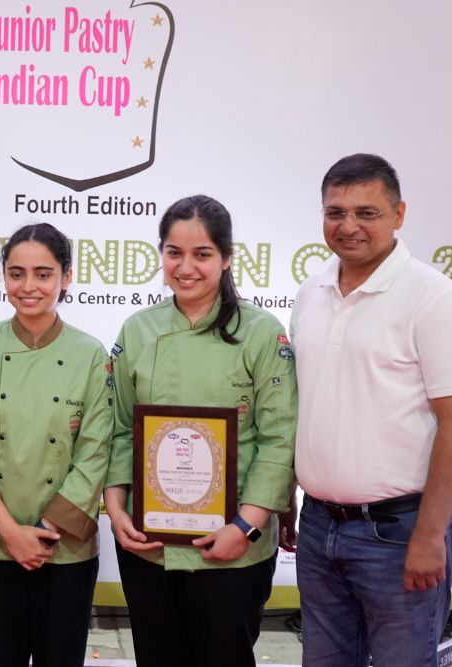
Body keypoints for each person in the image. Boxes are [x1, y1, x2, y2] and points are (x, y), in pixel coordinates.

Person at [103, 194, 297, 667]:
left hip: (232, 545)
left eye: (202, 254)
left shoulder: (260, 332)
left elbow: (280, 437)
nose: (185, 267)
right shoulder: (138, 330)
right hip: (148, 545)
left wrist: (246, 527)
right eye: (174, 252)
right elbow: (118, 428)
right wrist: (116, 511)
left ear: (227, 258)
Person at [291, 153, 452, 667]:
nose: (348, 226)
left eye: (367, 212)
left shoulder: (431, 297)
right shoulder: (310, 292)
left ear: (399, 215)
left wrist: (430, 536)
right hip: (318, 528)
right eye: (335, 212)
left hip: (399, 532)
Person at [0, 223, 112, 667]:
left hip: (66, 550)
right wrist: (11, 533)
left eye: (43, 274)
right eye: (16, 273)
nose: (28, 286)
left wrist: (42, 533)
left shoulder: (91, 355)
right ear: (3, 276)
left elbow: (96, 452)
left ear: (67, 277)